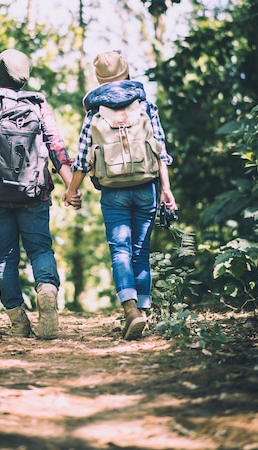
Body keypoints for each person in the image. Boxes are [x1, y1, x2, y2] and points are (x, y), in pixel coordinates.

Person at [0, 48, 81, 340]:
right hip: (34, 191)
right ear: (25, 77)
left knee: (5, 258)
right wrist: (70, 188)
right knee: (40, 250)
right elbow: (57, 149)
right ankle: (47, 289)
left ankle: (18, 322)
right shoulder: (38, 106)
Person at [63, 50, 177, 340]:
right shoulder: (146, 107)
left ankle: (130, 311)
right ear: (126, 73)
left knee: (120, 252)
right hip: (145, 188)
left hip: (113, 192)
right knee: (140, 252)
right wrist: (166, 189)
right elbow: (161, 152)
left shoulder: (94, 113)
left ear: (99, 80)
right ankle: (145, 312)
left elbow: (82, 161)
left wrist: (71, 190)